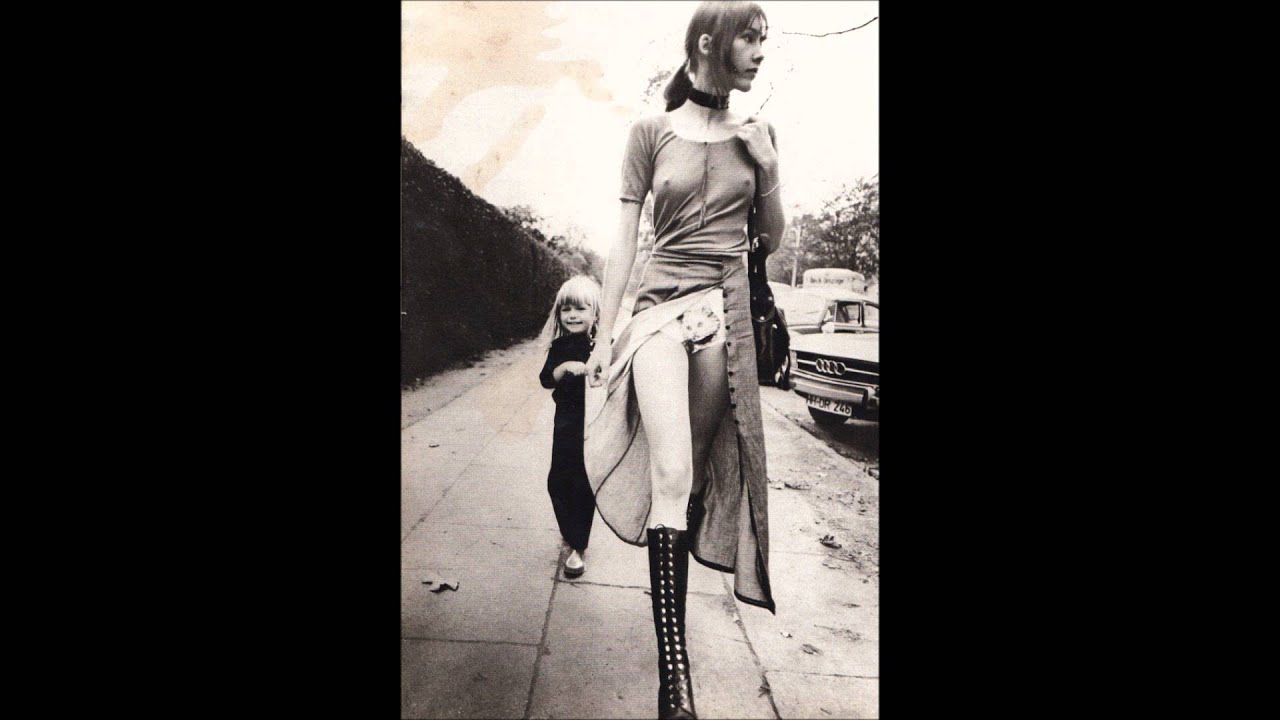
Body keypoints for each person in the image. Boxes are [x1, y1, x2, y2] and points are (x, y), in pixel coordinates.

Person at [582, 3, 785, 717]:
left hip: (724, 314)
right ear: (708, 42)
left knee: (688, 478)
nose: (760, 51)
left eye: (763, 40)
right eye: (750, 38)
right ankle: (677, 681)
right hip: (658, 313)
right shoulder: (650, 131)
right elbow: (624, 239)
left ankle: (676, 568)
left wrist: (768, 168)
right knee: (671, 473)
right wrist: (606, 333)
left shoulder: (757, 134)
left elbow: (771, 239)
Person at [538, 275, 602, 578]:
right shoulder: (560, 345)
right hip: (565, 423)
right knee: (558, 481)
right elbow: (546, 380)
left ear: (595, 313)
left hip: (592, 423)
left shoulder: (600, 346)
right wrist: (563, 368)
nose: (573, 315)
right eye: (566, 309)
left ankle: (578, 545)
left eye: (580, 309)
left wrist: (594, 371)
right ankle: (570, 530)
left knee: (583, 482)